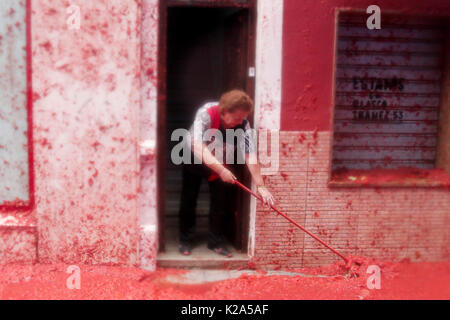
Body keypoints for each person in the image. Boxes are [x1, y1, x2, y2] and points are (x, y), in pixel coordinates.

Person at [178, 89, 275, 257]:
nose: (240, 122)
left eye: (242, 118)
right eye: (237, 118)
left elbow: (250, 154)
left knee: (220, 201)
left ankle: (215, 242)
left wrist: (261, 186)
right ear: (224, 112)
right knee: (189, 198)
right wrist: (221, 169)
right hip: (193, 156)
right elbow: (198, 147)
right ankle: (185, 240)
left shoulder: (243, 124)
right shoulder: (206, 114)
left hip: (219, 158)